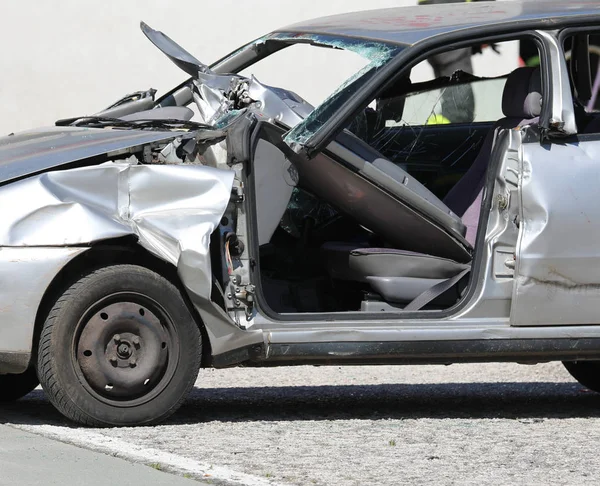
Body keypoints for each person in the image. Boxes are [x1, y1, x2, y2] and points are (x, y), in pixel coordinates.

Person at [418, 0, 494, 123]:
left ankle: (433, 133)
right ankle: (433, 136)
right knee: (459, 108)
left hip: (434, 11)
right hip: (450, 11)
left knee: (453, 96)